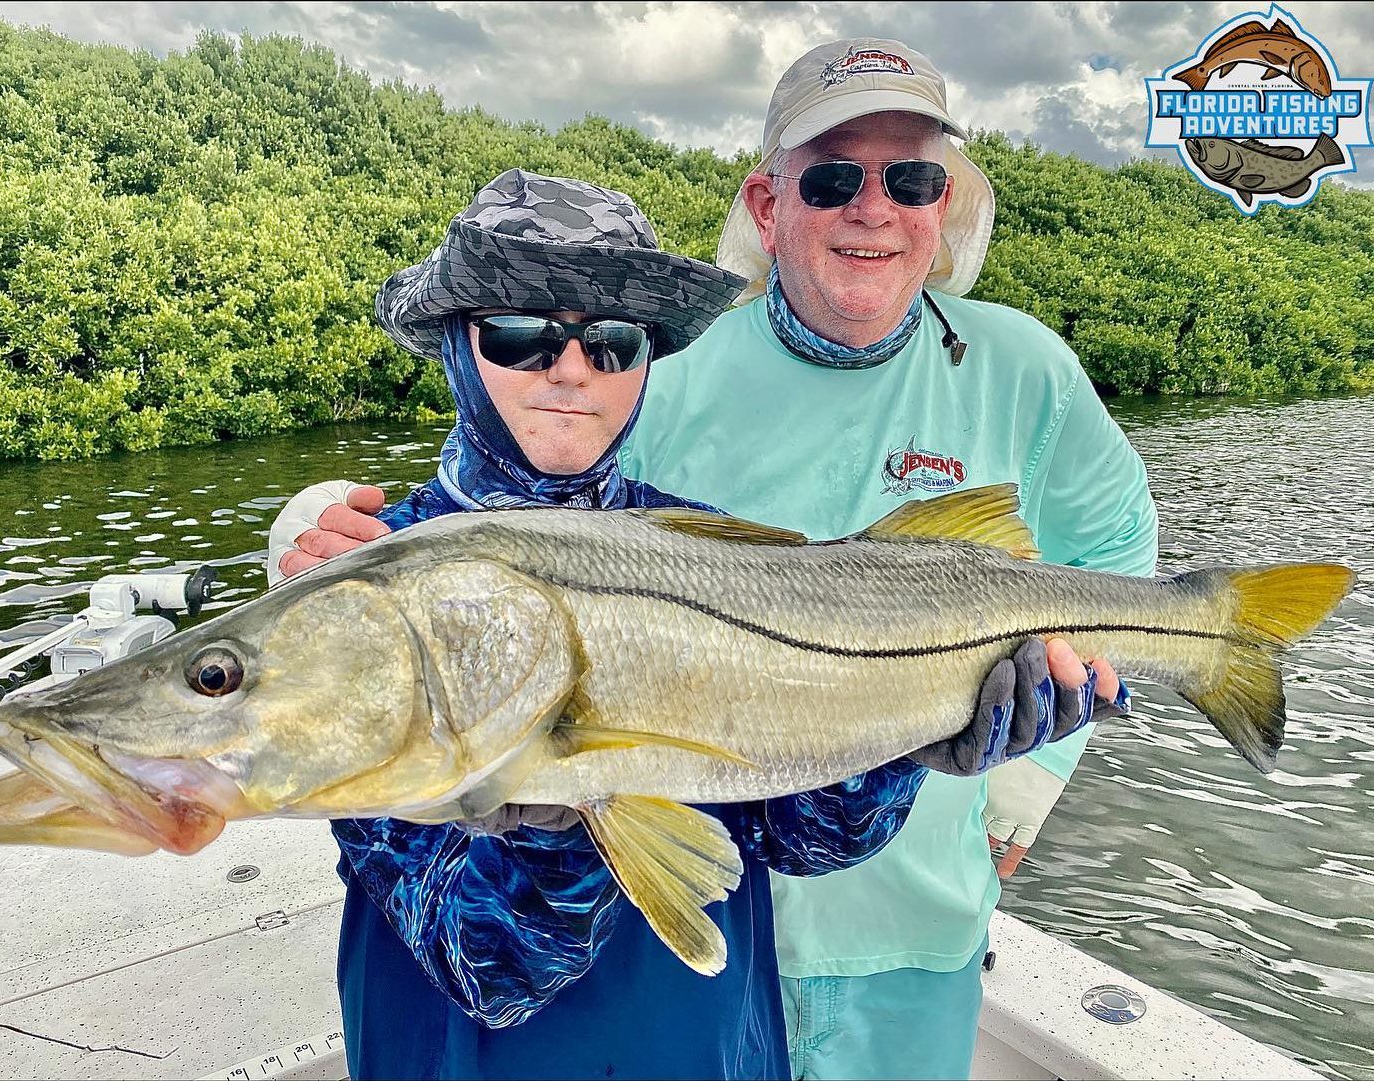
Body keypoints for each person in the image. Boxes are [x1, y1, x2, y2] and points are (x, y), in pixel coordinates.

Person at [266, 168, 1108, 1080]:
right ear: (455, 348)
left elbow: (800, 838)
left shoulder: (694, 541)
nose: (571, 368)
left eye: (615, 341)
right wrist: (560, 825)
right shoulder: (359, 588)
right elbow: (490, 968)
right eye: (519, 333)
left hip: (712, 1047)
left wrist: (906, 739)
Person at [617, 38, 1159, 1081]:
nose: (875, 207)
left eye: (911, 177)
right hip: (697, 913)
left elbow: (1116, 550)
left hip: (921, 916)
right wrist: (325, 532)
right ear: (768, 209)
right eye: (831, 177)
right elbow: (527, 522)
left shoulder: (1025, 368)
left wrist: (1034, 776)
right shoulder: (662, 379)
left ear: (943, 205)